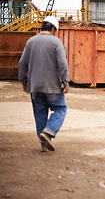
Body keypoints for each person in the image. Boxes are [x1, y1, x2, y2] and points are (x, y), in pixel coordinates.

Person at [18, 16, 69, 152]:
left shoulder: (31, 42)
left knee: (40, 113)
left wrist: (24, 81)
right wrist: (65, 82)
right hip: (52, 87)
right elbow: (62, 65)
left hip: (35, 86)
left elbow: (22, 64)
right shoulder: (56, 42)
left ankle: (43, 144)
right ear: (53, 29)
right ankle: (48, 132)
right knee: (60, 109)